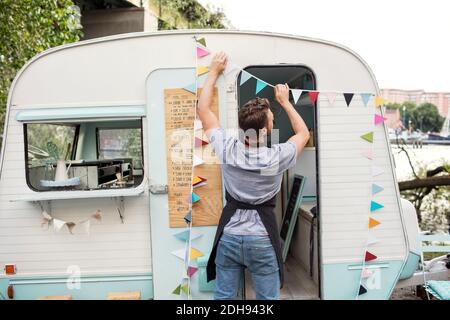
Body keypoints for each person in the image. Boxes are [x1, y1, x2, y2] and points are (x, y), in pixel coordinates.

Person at [197, 52, 310, 300]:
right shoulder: (276, 157)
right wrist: (285, 102)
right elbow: (303, 134)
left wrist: (214, 71)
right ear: (266, 129)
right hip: (262, 240)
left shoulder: (226, 148)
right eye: (271, 119)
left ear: (241, 127)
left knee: (224, 298)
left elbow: (203, 109)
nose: (272, 121)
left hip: (230, 236)